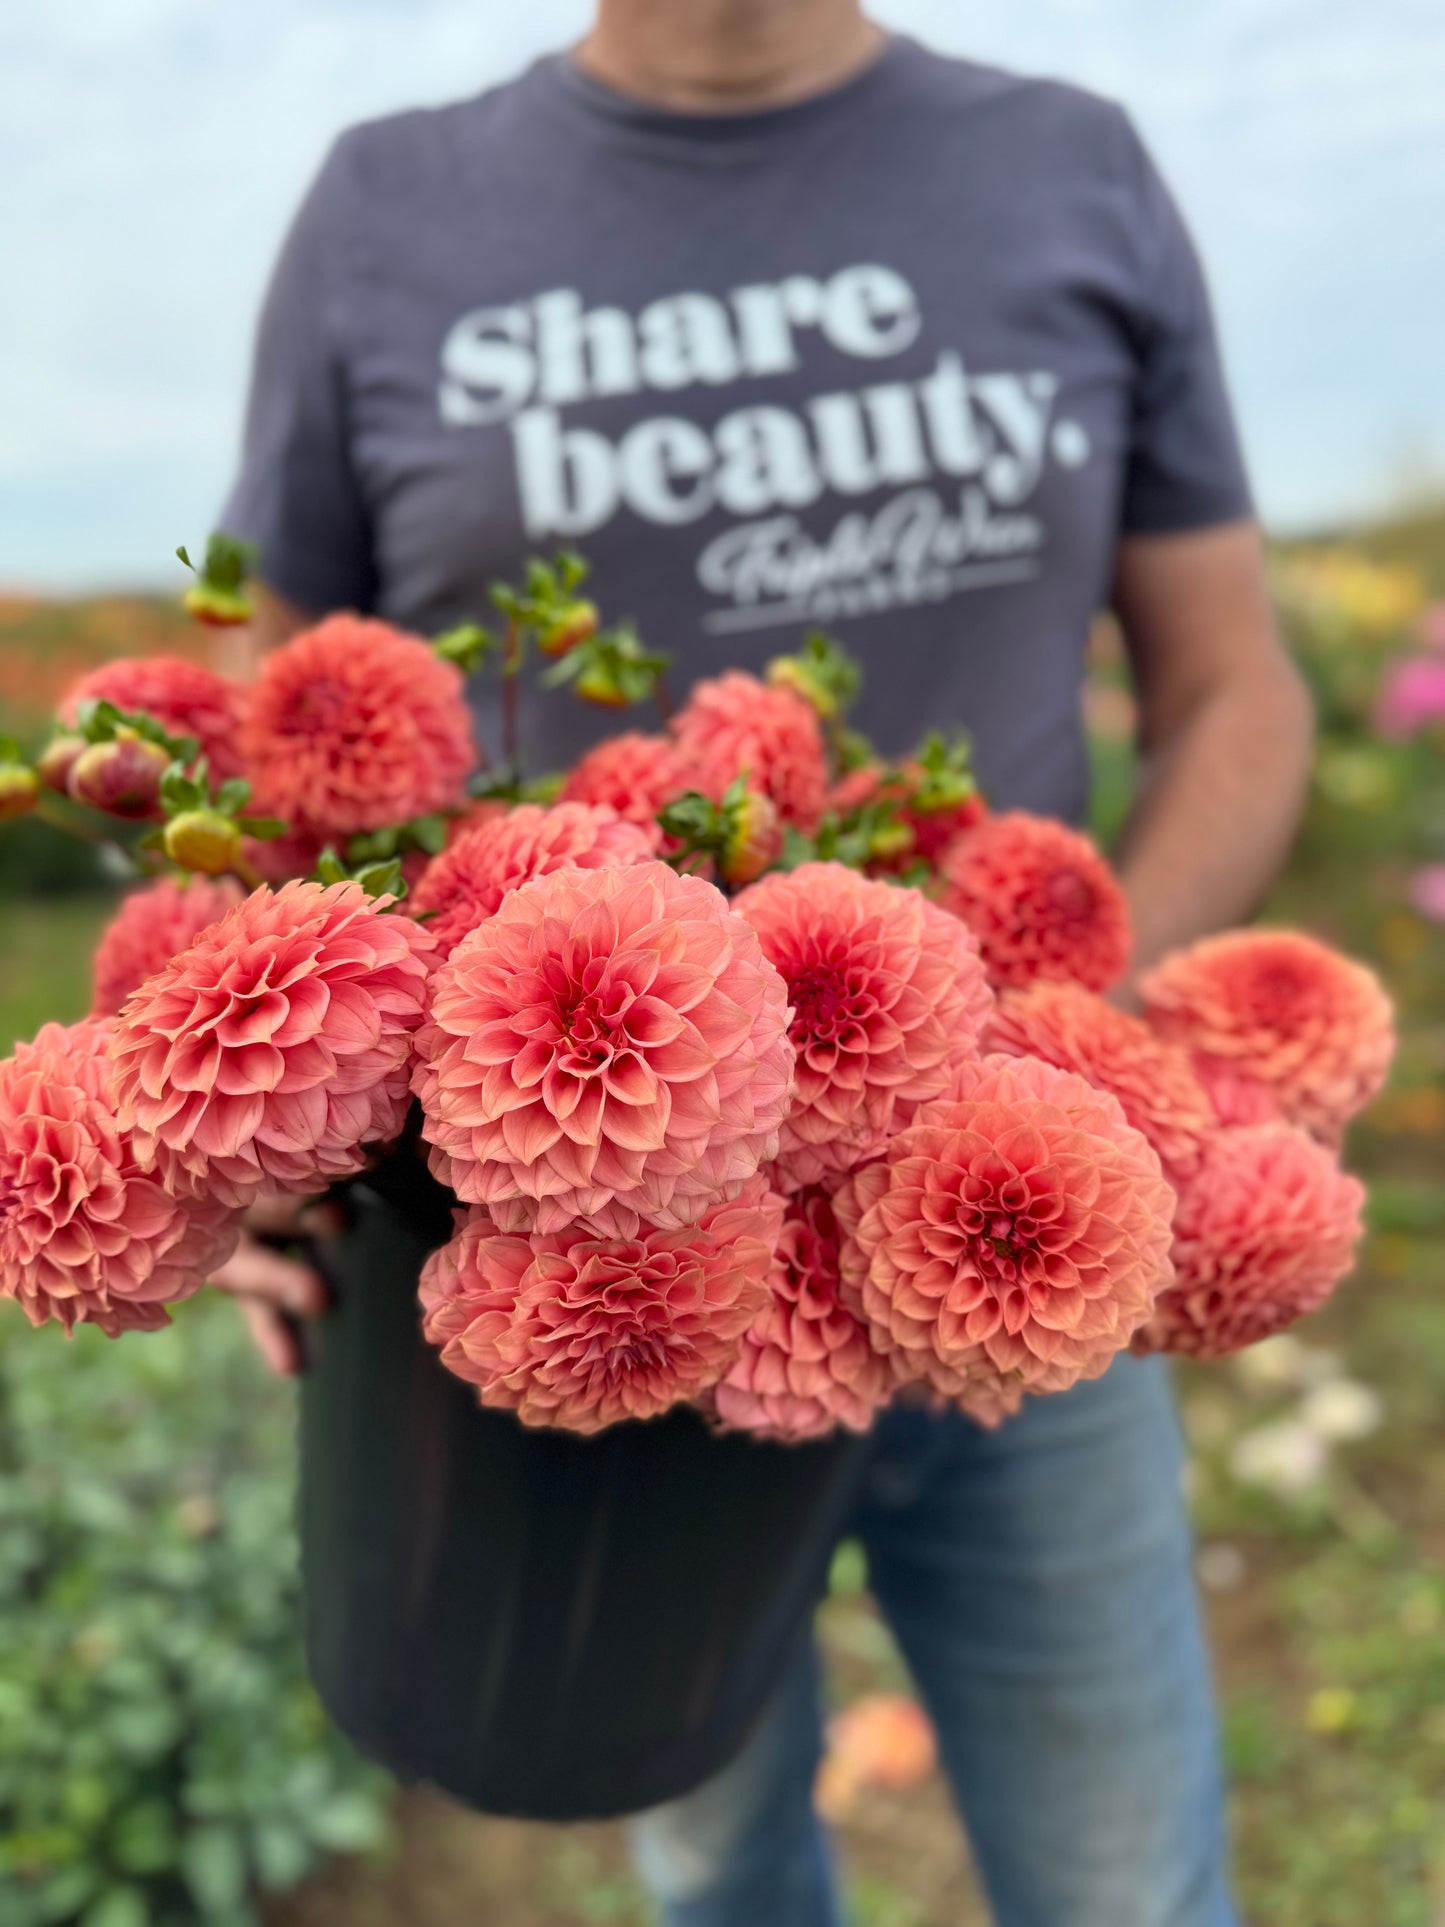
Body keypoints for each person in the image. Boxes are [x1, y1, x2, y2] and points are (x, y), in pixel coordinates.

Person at [214, 4, 1313, 1921]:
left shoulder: (1073, 165)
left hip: (1026, 1211)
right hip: (586, 1260)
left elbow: (1231, 685)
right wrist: (237, 1110)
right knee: (713, 1864)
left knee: (1127, 1878)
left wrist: (1094, 1048)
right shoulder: (389, 208)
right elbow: (276, 717)